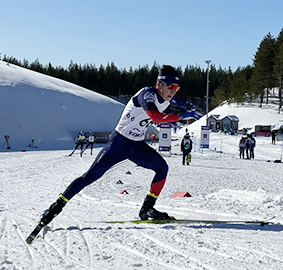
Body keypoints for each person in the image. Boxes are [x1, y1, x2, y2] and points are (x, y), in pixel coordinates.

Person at [36, 64, 199, 228]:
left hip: (136, 145)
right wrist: (183, 115)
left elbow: (181, 102)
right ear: (159, 85)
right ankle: (54, 208)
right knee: (90, 176)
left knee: (162, 168)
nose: (174, 91)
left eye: (177, 88)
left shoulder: (168, 97)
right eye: (171, 86)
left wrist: (190, 107)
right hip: (119, 143)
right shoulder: (147, 94)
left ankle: (147, 209)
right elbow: (155, 117)